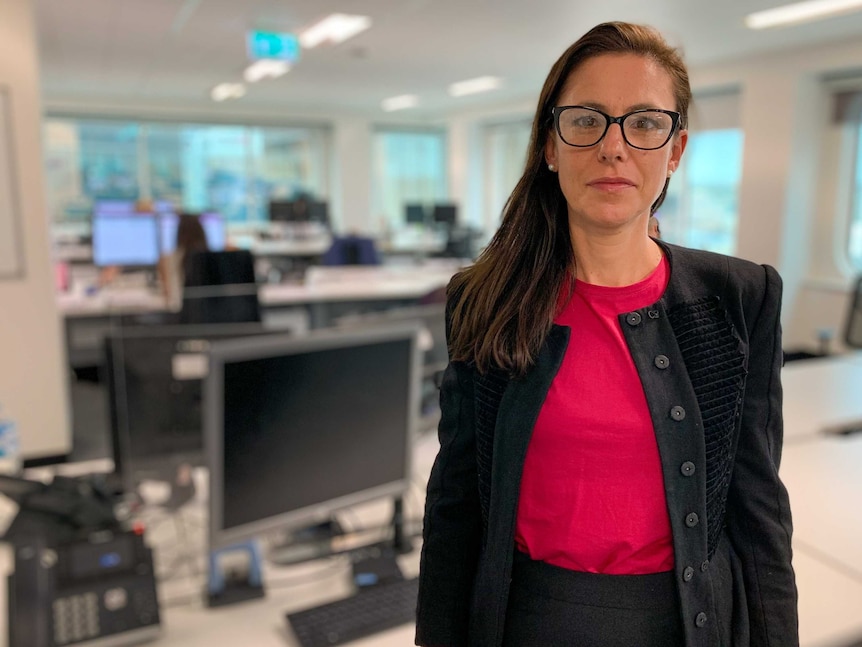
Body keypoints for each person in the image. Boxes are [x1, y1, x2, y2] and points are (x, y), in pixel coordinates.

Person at [416, 21, 797, 647]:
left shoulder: (741, 297)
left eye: (645, 123)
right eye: (587, 120)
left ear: (674, 150)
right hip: (524, 621)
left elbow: (760, 518)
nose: (613, 148)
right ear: (549, 144)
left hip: (686, 622)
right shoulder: (485, 301)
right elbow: (454, 512)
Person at [158, 213, 209, 310]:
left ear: (178, 233)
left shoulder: (168, 259)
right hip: (213, 319)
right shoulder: (213, 259)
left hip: (181, 317)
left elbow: (168, 297)